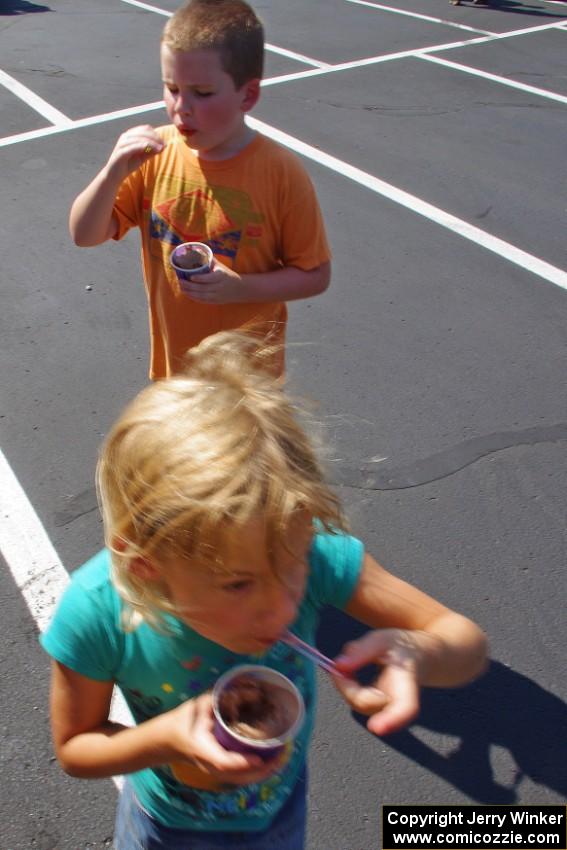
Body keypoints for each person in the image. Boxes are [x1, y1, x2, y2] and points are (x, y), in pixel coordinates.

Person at [41, 331, 488, 850]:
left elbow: (467, 643)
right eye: (237, 584)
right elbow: (75, 746)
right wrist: (164, 742)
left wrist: (419, 652)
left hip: (279, 813)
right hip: (165, 828)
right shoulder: (95, 613)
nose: (282, 607)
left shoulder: (315, 553)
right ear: (145, 569)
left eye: (294, 567)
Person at [69, 0, 331, 379]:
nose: (181, 108)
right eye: (171, 88)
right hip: (175, 373)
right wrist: (111, 173)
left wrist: (238, 288)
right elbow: (84, 234)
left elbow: (315, 275)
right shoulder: (154, 154)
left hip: (248, 383)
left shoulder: (280, 172)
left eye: (202, 93)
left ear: (248, 96)